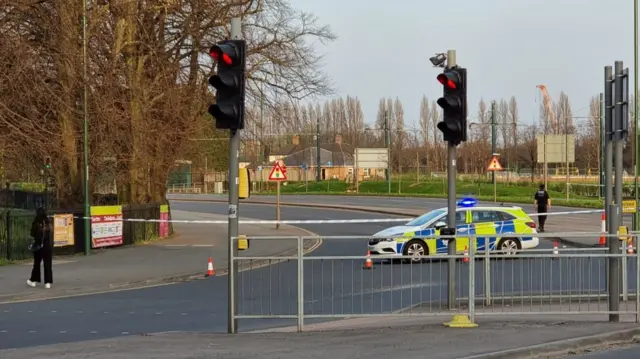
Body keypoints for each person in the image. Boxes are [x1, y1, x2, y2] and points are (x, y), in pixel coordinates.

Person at [27, 207, 53, 289]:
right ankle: (48, 282)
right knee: (48, 264)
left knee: (37, 263)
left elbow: (32, 233)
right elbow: (50, 231)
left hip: (38, 245)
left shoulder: (36, 222)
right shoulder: (47, 221)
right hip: (47, 245)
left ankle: (33, 280)